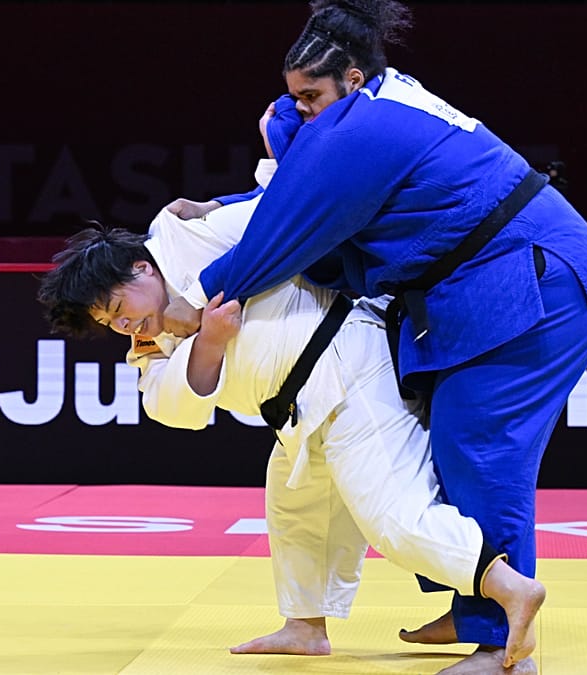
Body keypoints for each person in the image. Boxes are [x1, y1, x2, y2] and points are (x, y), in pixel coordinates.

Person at [162, 1, 587, 672]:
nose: (298, 111)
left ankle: (503, 646)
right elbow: (310, 206)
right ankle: (473, 603)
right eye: (292, 99)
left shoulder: (364, 128)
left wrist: (197, 301)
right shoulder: (374, 107)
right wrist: (230, 202)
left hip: (539, 283)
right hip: (503, 282)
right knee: (445, 441)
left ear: (351, 79)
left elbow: (282, 238)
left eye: (310, 97)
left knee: (481, 446)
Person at [36, 101, 544, 662]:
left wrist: (218, 215)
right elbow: (170, 408)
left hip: (350, 364)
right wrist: (207, 342)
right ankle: (306, 626)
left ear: (140, 268)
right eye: (110, 324)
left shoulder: (189, 237)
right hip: (296, 409)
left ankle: (510, 589)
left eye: (117, 307)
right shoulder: (149, 340)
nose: (125, 324)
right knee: (296, 509)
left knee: (391, 515)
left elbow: (283, 211)